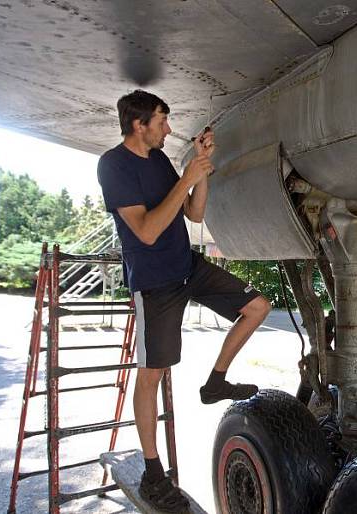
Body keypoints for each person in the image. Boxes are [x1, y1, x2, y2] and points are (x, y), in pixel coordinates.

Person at [97, 90, 271, 512]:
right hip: (155, 281)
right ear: (139, 124)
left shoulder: (158, 160)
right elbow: (148, 231)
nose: (168, 128)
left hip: (187, 265)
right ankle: (154, 474)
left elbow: (194, 214)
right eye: (162, 120)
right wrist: (186, 177)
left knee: (258, 306)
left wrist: (201, 169)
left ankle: (215, 382)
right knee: (151, 375)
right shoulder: (113, 165)